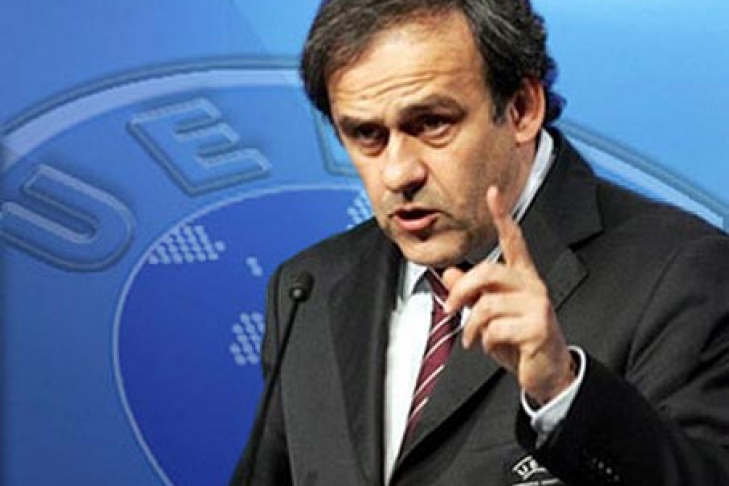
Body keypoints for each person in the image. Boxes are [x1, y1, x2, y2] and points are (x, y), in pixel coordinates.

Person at [231, 0, 729, 484]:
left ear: (522, 108)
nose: (398, 173)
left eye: (432, 124)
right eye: (366, 135)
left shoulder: (682, 272)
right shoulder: (308, 289)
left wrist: (563, 393)